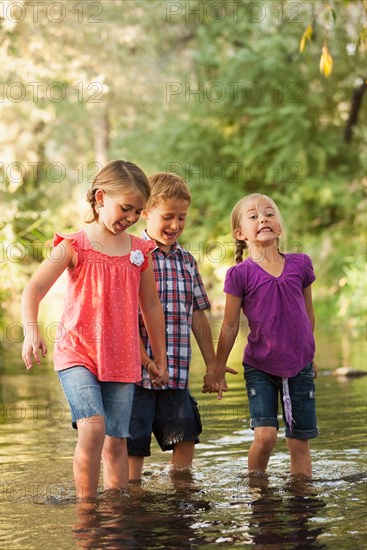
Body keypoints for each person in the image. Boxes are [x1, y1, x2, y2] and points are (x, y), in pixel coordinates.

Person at [21, 160, 168, 499]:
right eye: (125, 208)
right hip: (78, 353)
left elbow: (151, 306)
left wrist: (158, 357)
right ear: (101, 198)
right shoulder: (74, 246)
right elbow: (33, 291)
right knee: (93, 428)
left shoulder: (139, 251)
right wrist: (31, 331)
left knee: (117, 440)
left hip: (122, 359)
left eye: (137, 212)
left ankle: (115, 513)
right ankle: (87, 509)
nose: (131, 218)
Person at [204, 193, 318, 479]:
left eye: (269, 214)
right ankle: (257, 492)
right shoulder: (239, 274)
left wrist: (309, 354)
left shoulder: (301, 264)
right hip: (260, 367)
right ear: (240, 233)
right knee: (265, 436)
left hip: (299, 366)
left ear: (279, 227)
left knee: (299, 442)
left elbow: (308, 314)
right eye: (253, 216)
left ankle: (301, 501)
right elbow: (230, 325)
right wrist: (217, 367)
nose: (263, 219)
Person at [128, 172, 232, 481]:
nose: (175, 225)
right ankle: (132, 497)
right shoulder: (133, 255)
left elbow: (199, 314)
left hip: (176, 374)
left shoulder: (187, 261)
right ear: (145, 213)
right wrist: (144, 361)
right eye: (168, 216)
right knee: (133, 443)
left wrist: (213, 364)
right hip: (136, 375)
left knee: (186, 434)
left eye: (182, 217)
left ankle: (181, 492)